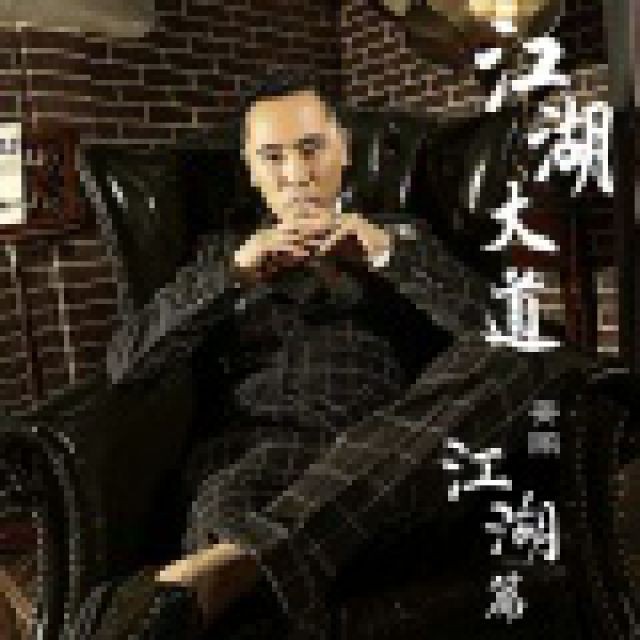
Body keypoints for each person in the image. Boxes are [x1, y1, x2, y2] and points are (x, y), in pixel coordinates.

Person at [66, 73, 592, 640]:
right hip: (256, 462)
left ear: (343, 150)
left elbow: (528, 341)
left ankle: (234, 566)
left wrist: (390, 258)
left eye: (311, 148)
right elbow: (127, 362)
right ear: (251, 170)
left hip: (394, 459)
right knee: (227, 518)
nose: (297, 174)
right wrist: (233, 275)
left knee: (521, 358)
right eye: (273, 157)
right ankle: (253, 561)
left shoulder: (401, 237)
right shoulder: (219, 256)